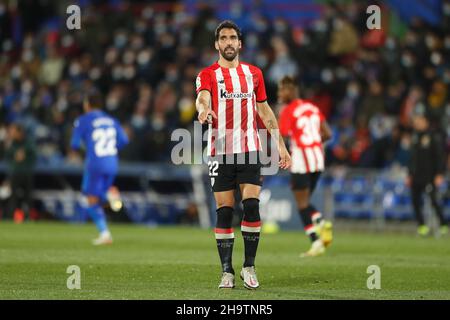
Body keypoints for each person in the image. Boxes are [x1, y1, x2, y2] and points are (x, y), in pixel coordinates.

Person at [195, 20, 291, 290]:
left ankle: (249, 266)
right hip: (220, 152)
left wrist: (281, 145)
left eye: (232, 38)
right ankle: (227, 271)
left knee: (250, 206)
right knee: (225, 212)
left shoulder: (254, 74)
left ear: (240, 44)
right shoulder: (208, 74)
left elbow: (265, 111)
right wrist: (203, 110)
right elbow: (202, 97)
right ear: (217, 44)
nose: (228, 42)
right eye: (223, 38)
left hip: (250, 148)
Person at [278, 76, 333, 257]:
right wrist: (315, 143)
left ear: (291, 91)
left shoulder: (288, 110)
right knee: (305, 202)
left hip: (301, 160)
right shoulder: (312, 108)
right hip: (317, 159)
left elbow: (283, 134)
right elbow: (328, 134)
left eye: (282, 90)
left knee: (302, 204)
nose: (280, 94)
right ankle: (318, 233)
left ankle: (319, 229)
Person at [71, 89, 129, 245]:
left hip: (95, 163)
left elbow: (74, 145)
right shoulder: (111, 120)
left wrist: (90, 150)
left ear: (87, 104)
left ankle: (105, 233)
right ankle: (109, 194)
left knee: (90, 199)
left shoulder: (83, 120)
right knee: (97, 196)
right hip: (112, 162)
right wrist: (110, 150)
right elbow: (124, 140)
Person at [406, 105, 447, 236]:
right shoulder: (415, 136)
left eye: (419, 119)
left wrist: (440, 173)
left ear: (425, 120)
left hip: (430, 175)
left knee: (434, 201)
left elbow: (440, 156)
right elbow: (412, 158)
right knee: (415, 201)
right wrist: (409, 174)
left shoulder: (433, 135)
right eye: (415, 119)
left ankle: (443, 224)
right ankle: (422, 226)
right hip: (416, 176)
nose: (416, 122)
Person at [5, 123, 36, 223]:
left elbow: (34, 156)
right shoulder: (11, 144)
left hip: (26, 173)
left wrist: (24, 154)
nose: (12, 134)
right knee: (13, 197)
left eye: (14, 132)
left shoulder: (28, 142)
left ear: (20, 132)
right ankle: (11, 217)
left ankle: (28, 217)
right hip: (15, 173)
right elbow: (7, 156)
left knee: (27, 197)